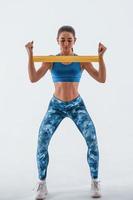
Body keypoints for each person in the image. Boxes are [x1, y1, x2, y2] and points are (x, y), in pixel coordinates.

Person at [25, 25, 107, 199]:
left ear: (74, 41)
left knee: (92, 138)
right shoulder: (50, 60)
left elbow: (101, 78)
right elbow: (33, 78)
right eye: (62, 39)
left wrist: (101, 58)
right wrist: (30, 54)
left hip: (77, 105)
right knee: (42, 140)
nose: (65, 43)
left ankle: (95, 181)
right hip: (56, 106)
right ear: (57, 41)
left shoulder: (82, 60)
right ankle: (41, 184)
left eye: (69, 39)